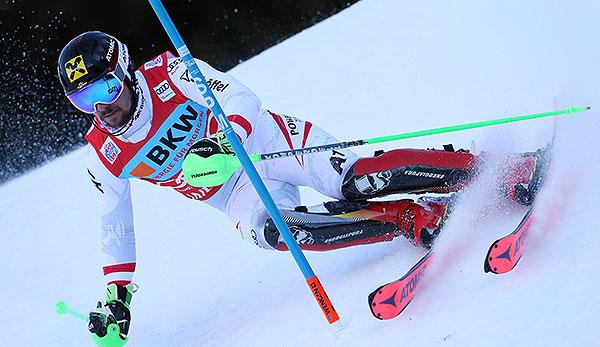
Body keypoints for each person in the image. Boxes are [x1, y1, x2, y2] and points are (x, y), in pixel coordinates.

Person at [57, 31, 543, 340]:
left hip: (269, 144)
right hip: (234, 195)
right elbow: (114, 224)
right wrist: (118, 293)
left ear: (123, 73)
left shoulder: (170, 71)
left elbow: (242, 99)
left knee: (358, 181)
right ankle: (410, 217)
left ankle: (504, 167)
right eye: (84, 100)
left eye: (105, 88)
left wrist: (228, 145)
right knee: (283, 233)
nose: (102, 107)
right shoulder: (104, 151)